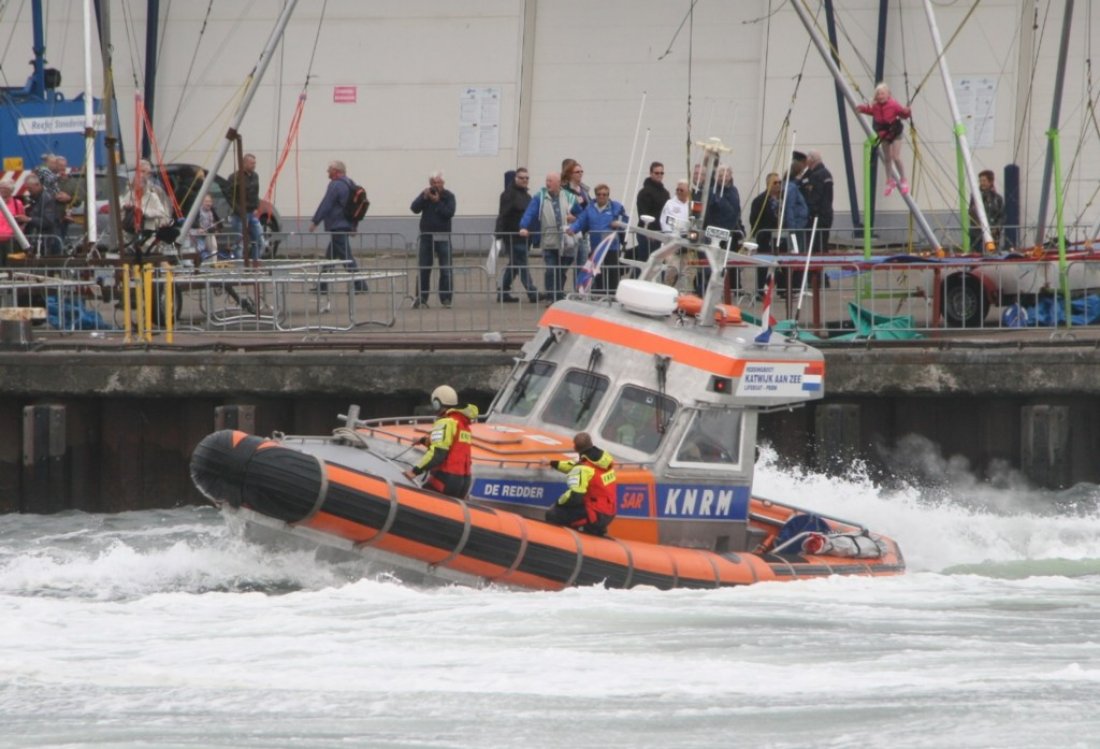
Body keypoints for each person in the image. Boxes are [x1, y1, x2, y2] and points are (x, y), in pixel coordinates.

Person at [402, 385, 479, 499]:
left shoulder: (446, 422)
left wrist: (415, 471)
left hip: (446, 478)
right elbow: (453, 447)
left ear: (437, 403)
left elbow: (438, 454)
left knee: (419, 499)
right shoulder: (463, 424)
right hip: (464, 481)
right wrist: (425, 441)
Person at [309, 160, 368, 292]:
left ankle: (360, 285)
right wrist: (354, 225)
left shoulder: (335, 185)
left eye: (329, 169)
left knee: (346, 257)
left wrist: (315, 221)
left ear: (336, 171)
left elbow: (326, 204)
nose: (327, 171)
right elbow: (355, 206)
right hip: (345, 224)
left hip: (337, 225)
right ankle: (322, 286)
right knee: (329, 258)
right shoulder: (350, 183)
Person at [545, 432, 617, 537]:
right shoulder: (602, 461)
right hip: (609, 512)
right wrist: (552, 463)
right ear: (591, 443)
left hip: (595, 514)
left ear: (575, 448)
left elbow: (575, 497)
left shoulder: (583, 468)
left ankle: (560, 542)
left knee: (553, 513)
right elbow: (576, 466)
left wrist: (559, 501)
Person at [519, 171, 576, 302]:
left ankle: (557, 294)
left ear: (558, 183)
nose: (547, 183)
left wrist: (576, 220)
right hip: (549, 241)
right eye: (547, 180)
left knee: (561, 271)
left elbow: (581, 215)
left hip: (566, 242)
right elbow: (529, 213)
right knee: (551, 269)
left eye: (550, 181)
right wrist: (523, 227)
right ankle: (552, 296)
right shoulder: (540, 197)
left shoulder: (568, 196)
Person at [567, 183, 629, 293]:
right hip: (596, 248)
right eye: (599, 194)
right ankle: (598, 296)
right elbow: (581, 221)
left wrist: (618, 223)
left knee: (613, 274)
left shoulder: (616, 207)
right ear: (595, 195)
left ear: (608, 195)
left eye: (605, 194)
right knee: (597, 274)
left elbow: (625, 220)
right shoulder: (589, 208)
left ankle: (613, 296)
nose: (602, 197)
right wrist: (572, 229)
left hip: (611, 247)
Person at [410, 171, 457, 308]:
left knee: (446, 268)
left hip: (443, 236)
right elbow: (414, 208)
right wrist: (424, 198)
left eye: (439, 182)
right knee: (424, 267)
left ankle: (446, 298)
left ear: (443, 183)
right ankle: (422, 297)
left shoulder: (449, 196)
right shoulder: (426, 194)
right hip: (426, 236)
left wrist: (437, 202)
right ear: (430, 183)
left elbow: (449, 213)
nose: (436, 185)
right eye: (434, 182)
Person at [858, 82, 912, 196]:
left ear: (888, 95)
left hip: (895, 132)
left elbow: (902, 113)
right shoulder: (876, 107)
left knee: (895, 157)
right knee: (887, 158)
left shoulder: (893, 104)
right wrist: (862, 109)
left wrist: (907, 112)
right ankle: (889, 181)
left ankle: (903, 179)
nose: (880, 96)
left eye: (882, 94)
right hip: (884, 134)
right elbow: (870, 111)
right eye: (878, 94)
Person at [495, 167, 537, 303]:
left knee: (514, 264)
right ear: (516, 178)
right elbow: (503, 215)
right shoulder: (508, 195)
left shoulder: (527, 195)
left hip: (525, 236)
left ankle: (503, 291)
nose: (525, 180)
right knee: (522, 263)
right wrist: (500, 234)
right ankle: (532, 292)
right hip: (513, 236)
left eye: (527, 178)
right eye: (522, 178)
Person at [227, 153, 266, 261]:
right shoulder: (235, 177)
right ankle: (239, 264)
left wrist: (257, 206)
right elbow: (229, 196)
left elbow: (255, 192)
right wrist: (239, 210)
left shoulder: (255, 176)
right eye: (252, 163)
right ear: (244, 163)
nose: (254, 165)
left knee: (259, 239)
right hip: (239, 215)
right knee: (240, 242)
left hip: (252, 213)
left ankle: (256, 261)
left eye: (255, 163)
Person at [22, 173, 66, 255]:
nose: (29, 191)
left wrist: (28, 219)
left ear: (37, 185)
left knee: (50, 263)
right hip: (39, 238)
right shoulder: (33, 198)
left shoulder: (47, 199)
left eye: (30, 189)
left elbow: (48, 221)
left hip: (49, 239)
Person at [635, 161, 669, 263]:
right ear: (651, 173)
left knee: (658, 263)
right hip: (647, 234)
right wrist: (648, 231)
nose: (659, 175)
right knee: (646, 262)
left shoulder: (665, 192)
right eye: (656, 173)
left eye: (661, 173)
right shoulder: (644, 192)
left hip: (660, 233)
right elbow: (642, 213)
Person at [799, 150, 834, 253]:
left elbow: (814, 197)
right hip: (827, 214)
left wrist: (809, 213)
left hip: (817, 217)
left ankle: (815, 268)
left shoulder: (815, 175)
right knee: (823, 244)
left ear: (811, 160)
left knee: (816, 247)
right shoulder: (827, 173)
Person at [561, 159, 591, 274]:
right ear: (570, 174)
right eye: (577, 172)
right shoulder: (564, 191)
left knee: (582, 265)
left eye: (581, 171)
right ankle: (557, 290)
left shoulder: (584, 190)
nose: (580, 174)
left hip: (583, 232)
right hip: (570, 232)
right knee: (564, 265)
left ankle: (579, 291)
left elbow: (588, 208)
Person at [969, 169, 1004, 253]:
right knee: (977, 254)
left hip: (993, 234)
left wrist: (996, 227)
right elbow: (971, 213)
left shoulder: (997, 198)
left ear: (990, 181)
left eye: (984, 180)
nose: (982, 183)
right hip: (977, 234)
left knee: (992, 254)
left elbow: (1002, 216)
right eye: (980, 181)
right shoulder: (975, 196)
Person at [0, 178, 27, 265]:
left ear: (11, 190)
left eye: (5, 188)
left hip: (11, 240)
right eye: (1, 188)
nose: (2, 190)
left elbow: (22, 220)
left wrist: (18, 235)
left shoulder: (17, 203)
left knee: (10, 263)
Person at [194, 194, 222, 261]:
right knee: (200, 249)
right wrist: (198, 228)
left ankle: (213, 264)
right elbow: (193, 222)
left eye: (210, 201)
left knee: (214, 248)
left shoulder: (212, 210)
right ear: (201, 202)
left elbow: (219, 222)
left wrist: (217, 229)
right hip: (199, 234)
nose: (208, 203)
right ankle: (200, 265)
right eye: (206, 201)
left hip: (210, 233)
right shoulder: (197, 210)